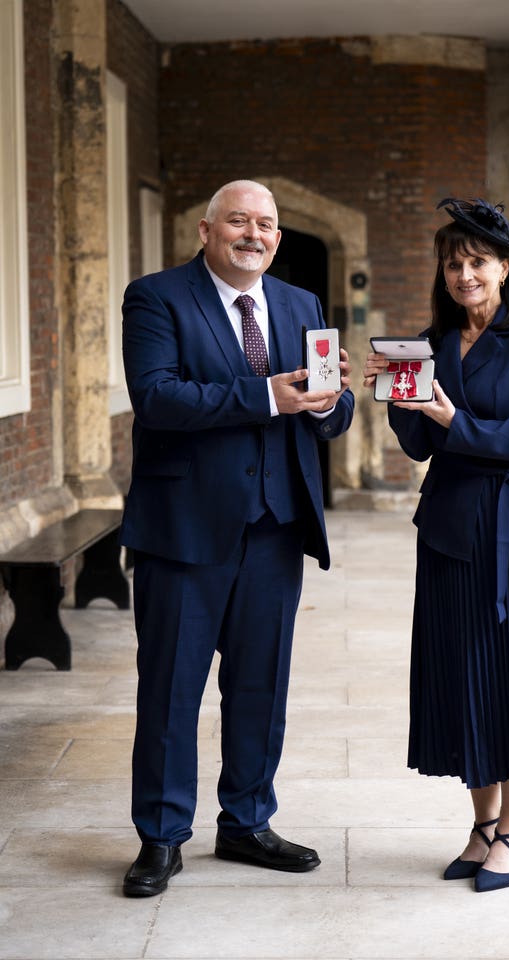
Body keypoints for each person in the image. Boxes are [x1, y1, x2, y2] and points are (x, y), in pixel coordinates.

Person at [120, 179, 354, 897]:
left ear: (278, 238)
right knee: (170, 691)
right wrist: (265, 395)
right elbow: (156, 398)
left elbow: (327, 419)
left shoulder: (300, 304)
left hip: (275, 528)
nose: (254, 234)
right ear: (205, 230)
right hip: (185, 529)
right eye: (239, 222)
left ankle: (247, 821)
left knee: (260, 688)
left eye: (267, 225)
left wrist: (328, 401)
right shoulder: (155, 298)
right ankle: (161, 837)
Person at [363, 197, 509, 893]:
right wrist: (401, 403)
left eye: (477, 261)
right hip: (450, 526)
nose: (464, 274)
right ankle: (482, 823)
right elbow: (423, 446)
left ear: (504, 267)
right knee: (462, 671)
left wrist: (456, 419)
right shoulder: (429, 343)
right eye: (453, 263)